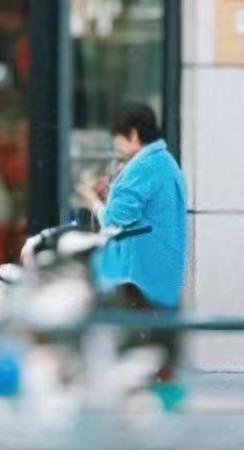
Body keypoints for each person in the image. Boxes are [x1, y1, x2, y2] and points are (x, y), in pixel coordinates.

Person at [79, 102, 188, 309]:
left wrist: (92, 201)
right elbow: (142, 212)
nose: (116, 146)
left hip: (138, 286)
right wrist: (111, 193)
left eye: (117, 139)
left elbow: (113, 223)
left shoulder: (143, 167)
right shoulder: (163, 162)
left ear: (133, 134)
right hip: (160, 283)